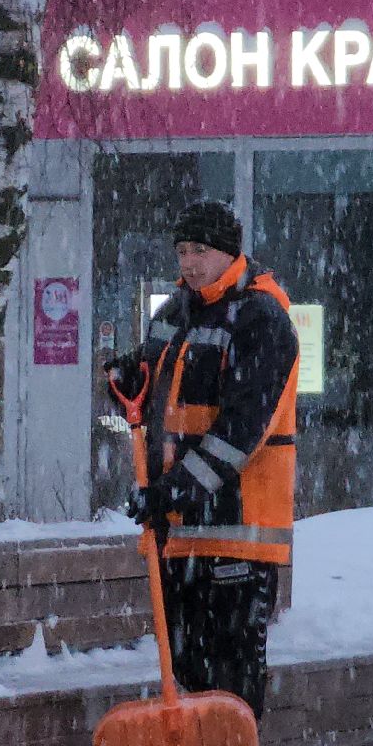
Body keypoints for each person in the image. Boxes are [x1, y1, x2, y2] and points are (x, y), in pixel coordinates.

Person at [105, 199, 300, 719]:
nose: (189, 263)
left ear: (229, 252)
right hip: (180, 534)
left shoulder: (262, 318)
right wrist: (129, 381)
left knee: (231, 684)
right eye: (183, 251)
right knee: (188, 674)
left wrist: (173, 490)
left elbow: (240, 432)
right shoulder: (174, 315)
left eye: (201, 251)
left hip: (240, 532)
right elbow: (155, 391)